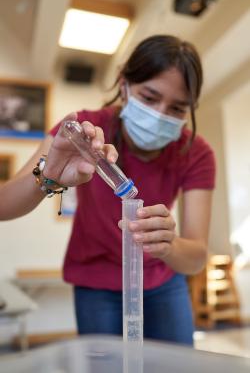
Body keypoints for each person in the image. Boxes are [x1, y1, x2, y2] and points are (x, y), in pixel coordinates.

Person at [0, 35, 215, 346]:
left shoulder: (195, 152)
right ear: (124, 85)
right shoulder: (84, 130)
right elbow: (3, 206)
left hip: (162, 281)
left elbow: (195, 256)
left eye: (178, 108)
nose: (160, 115)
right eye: (150, 97)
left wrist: (168, 245)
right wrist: (49, 175)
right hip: (96, 282)